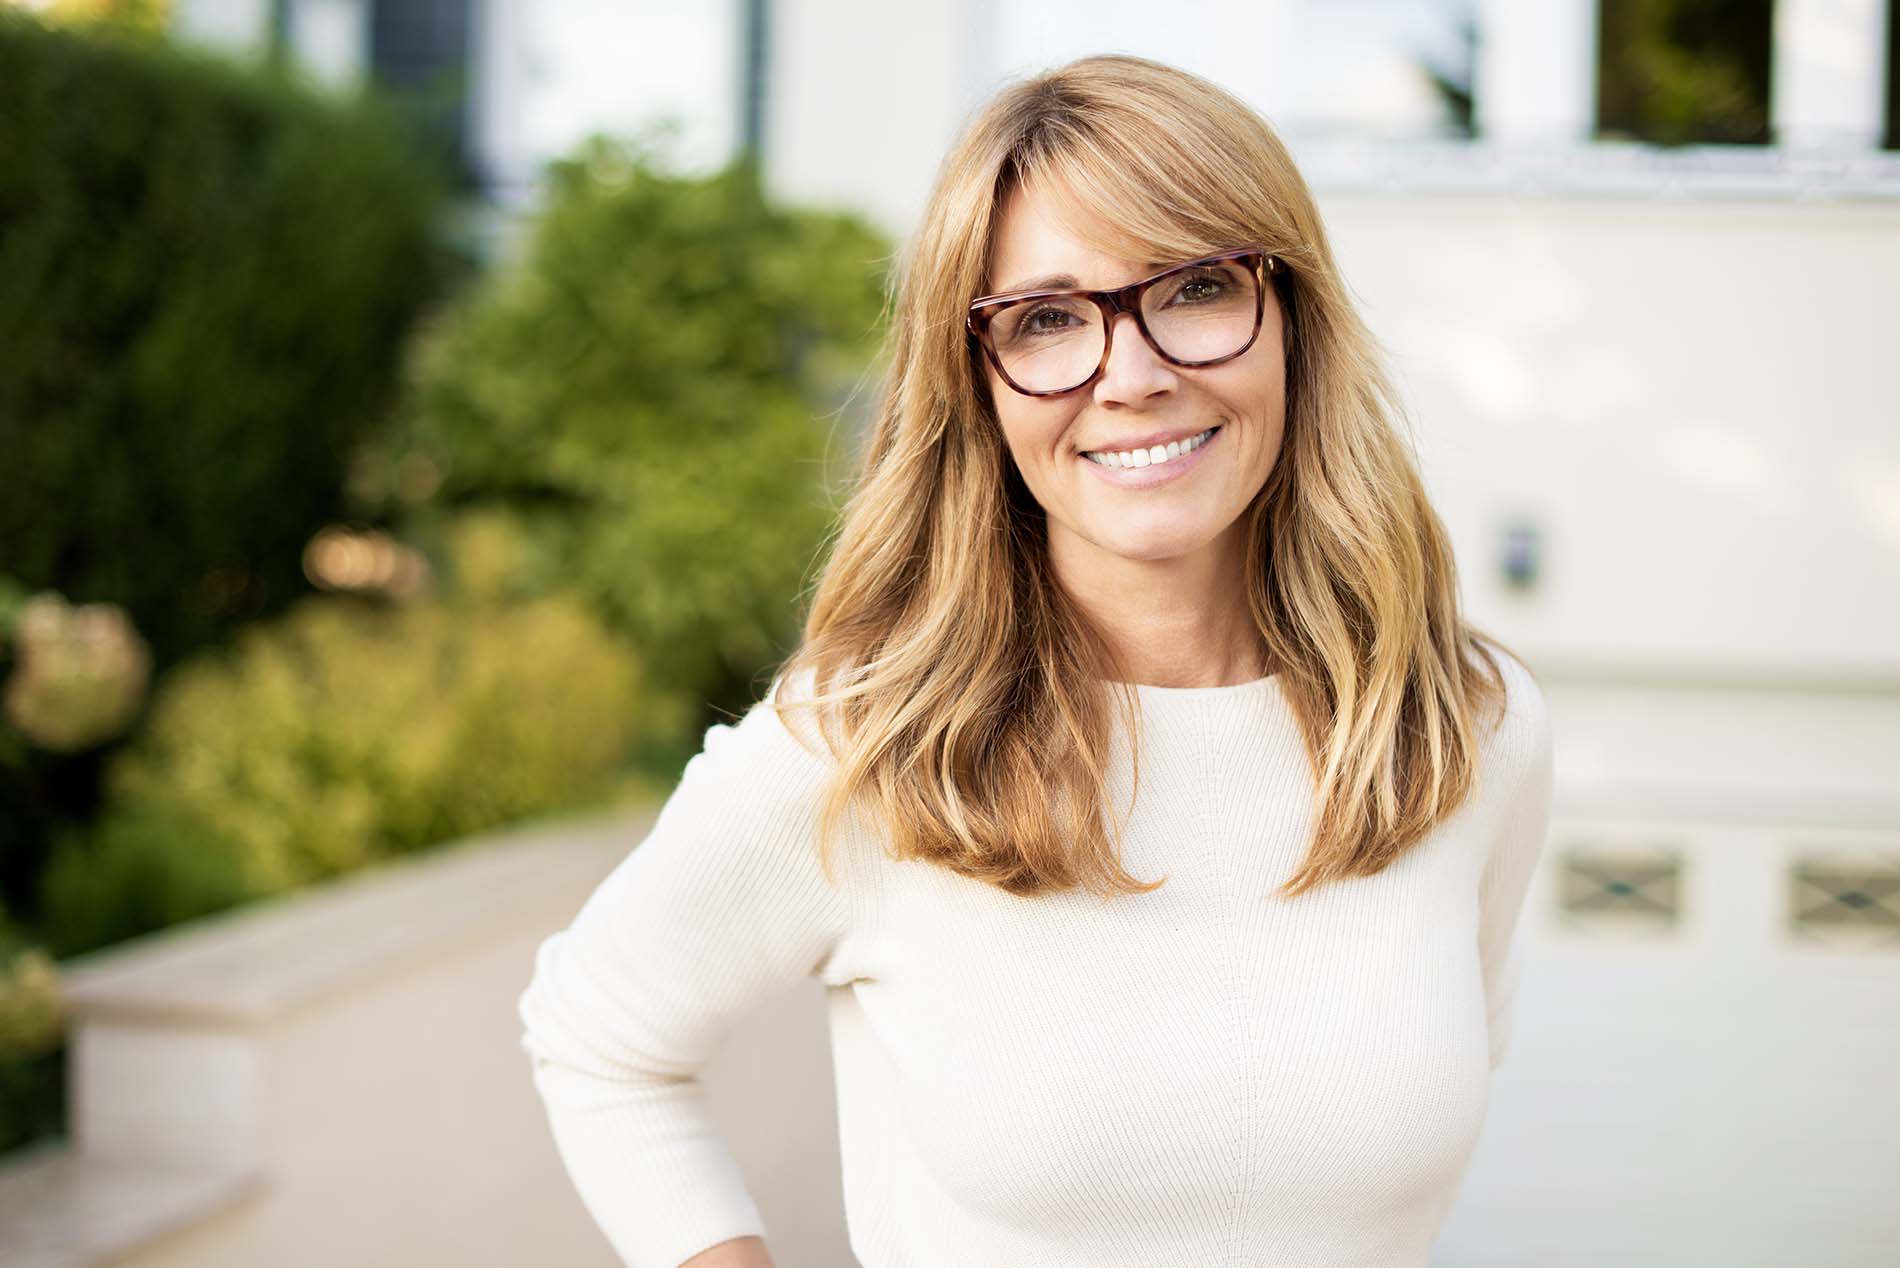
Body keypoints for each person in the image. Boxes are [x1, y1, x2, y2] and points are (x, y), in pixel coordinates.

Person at [517, 52, 1555, 1268]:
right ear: (977, 383)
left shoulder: (1462, 728)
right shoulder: (870, 743)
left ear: (1293, 320)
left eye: (1198, 286)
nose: (1133, 373)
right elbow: (597, 1038)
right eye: (1047, 319)